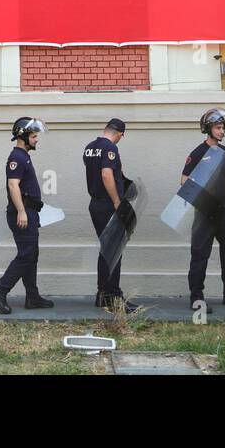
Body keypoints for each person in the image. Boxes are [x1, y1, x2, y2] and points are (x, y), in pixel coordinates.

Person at [184, 108, 225, 310]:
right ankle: (196, 298)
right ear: (208, 129)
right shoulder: (197, 153)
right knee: (200, 254)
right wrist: (202, 200)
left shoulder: (224, 152)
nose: (221, 131)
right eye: (218, 127)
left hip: (224, 209)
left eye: (223, 128)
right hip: (205, 210)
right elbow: (184, 181)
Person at [0, 117, 54, 313]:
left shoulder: (23, 156)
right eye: (34, 136)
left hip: (30, 212)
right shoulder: (16, 157)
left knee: (31, 255)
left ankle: (32, 297)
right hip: (23, 214)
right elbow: (12, 185)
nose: (36, 140)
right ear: (23, 136)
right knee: (26, 254)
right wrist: (22, 212)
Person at [83, 118, 137, 313]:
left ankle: (102, 295)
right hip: (108, 205)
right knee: (114, 251)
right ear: (119, 133)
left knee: (106, 251)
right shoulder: (110, 149)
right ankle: (114, 297)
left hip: (95, 203)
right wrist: (116, 201)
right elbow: (106, 174)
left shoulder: (89, 148)